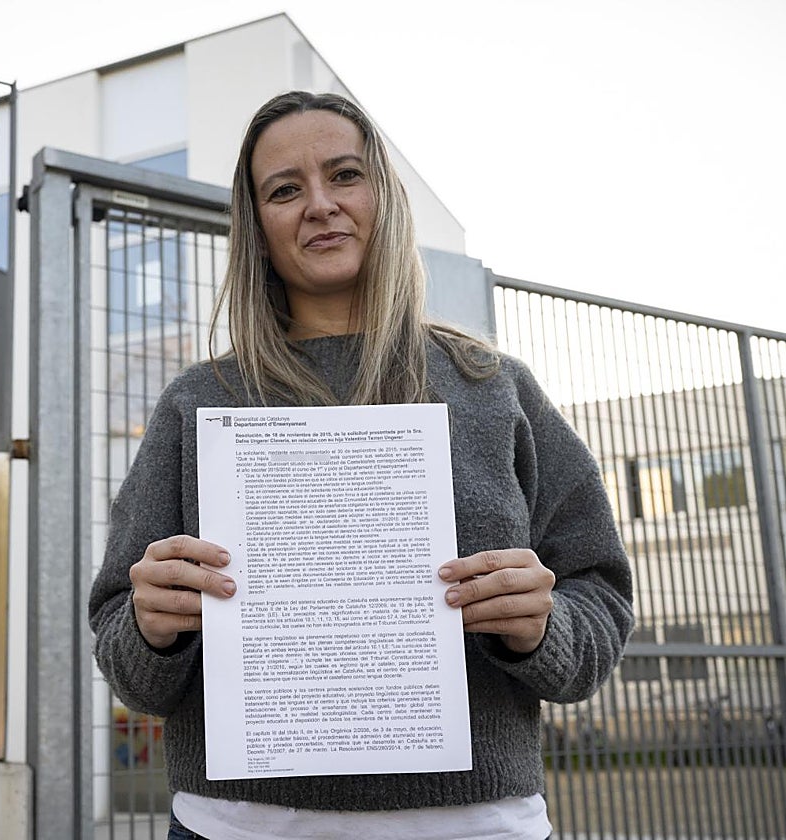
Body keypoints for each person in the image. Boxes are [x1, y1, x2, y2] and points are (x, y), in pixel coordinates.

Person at [88, 90, 633, 840]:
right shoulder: (196, 404)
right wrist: (151, 629)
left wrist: (545, 627)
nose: (320, 205)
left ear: (384, 194)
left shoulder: (491, 388)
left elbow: (599, 595)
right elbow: (121, 643)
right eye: (285, 189)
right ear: (259, 229)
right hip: (240, 826)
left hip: (478, 826)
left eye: (345, 175)